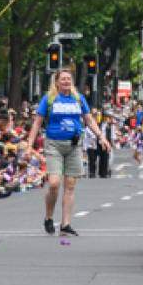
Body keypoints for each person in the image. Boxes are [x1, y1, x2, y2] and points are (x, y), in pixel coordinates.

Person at [32, 69, 105, 237]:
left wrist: (101, 137)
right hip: (54, 145)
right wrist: (29, 145)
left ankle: (65, 224)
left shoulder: (78, 99)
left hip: (74, 145)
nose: (66, 81)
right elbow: (37, 123)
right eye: (63, 79)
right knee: (54, 183)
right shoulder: (49, 99)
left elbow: (88, 119)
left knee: (70, 186)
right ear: (57, 82)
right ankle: (49, 217)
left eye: (69, 79)